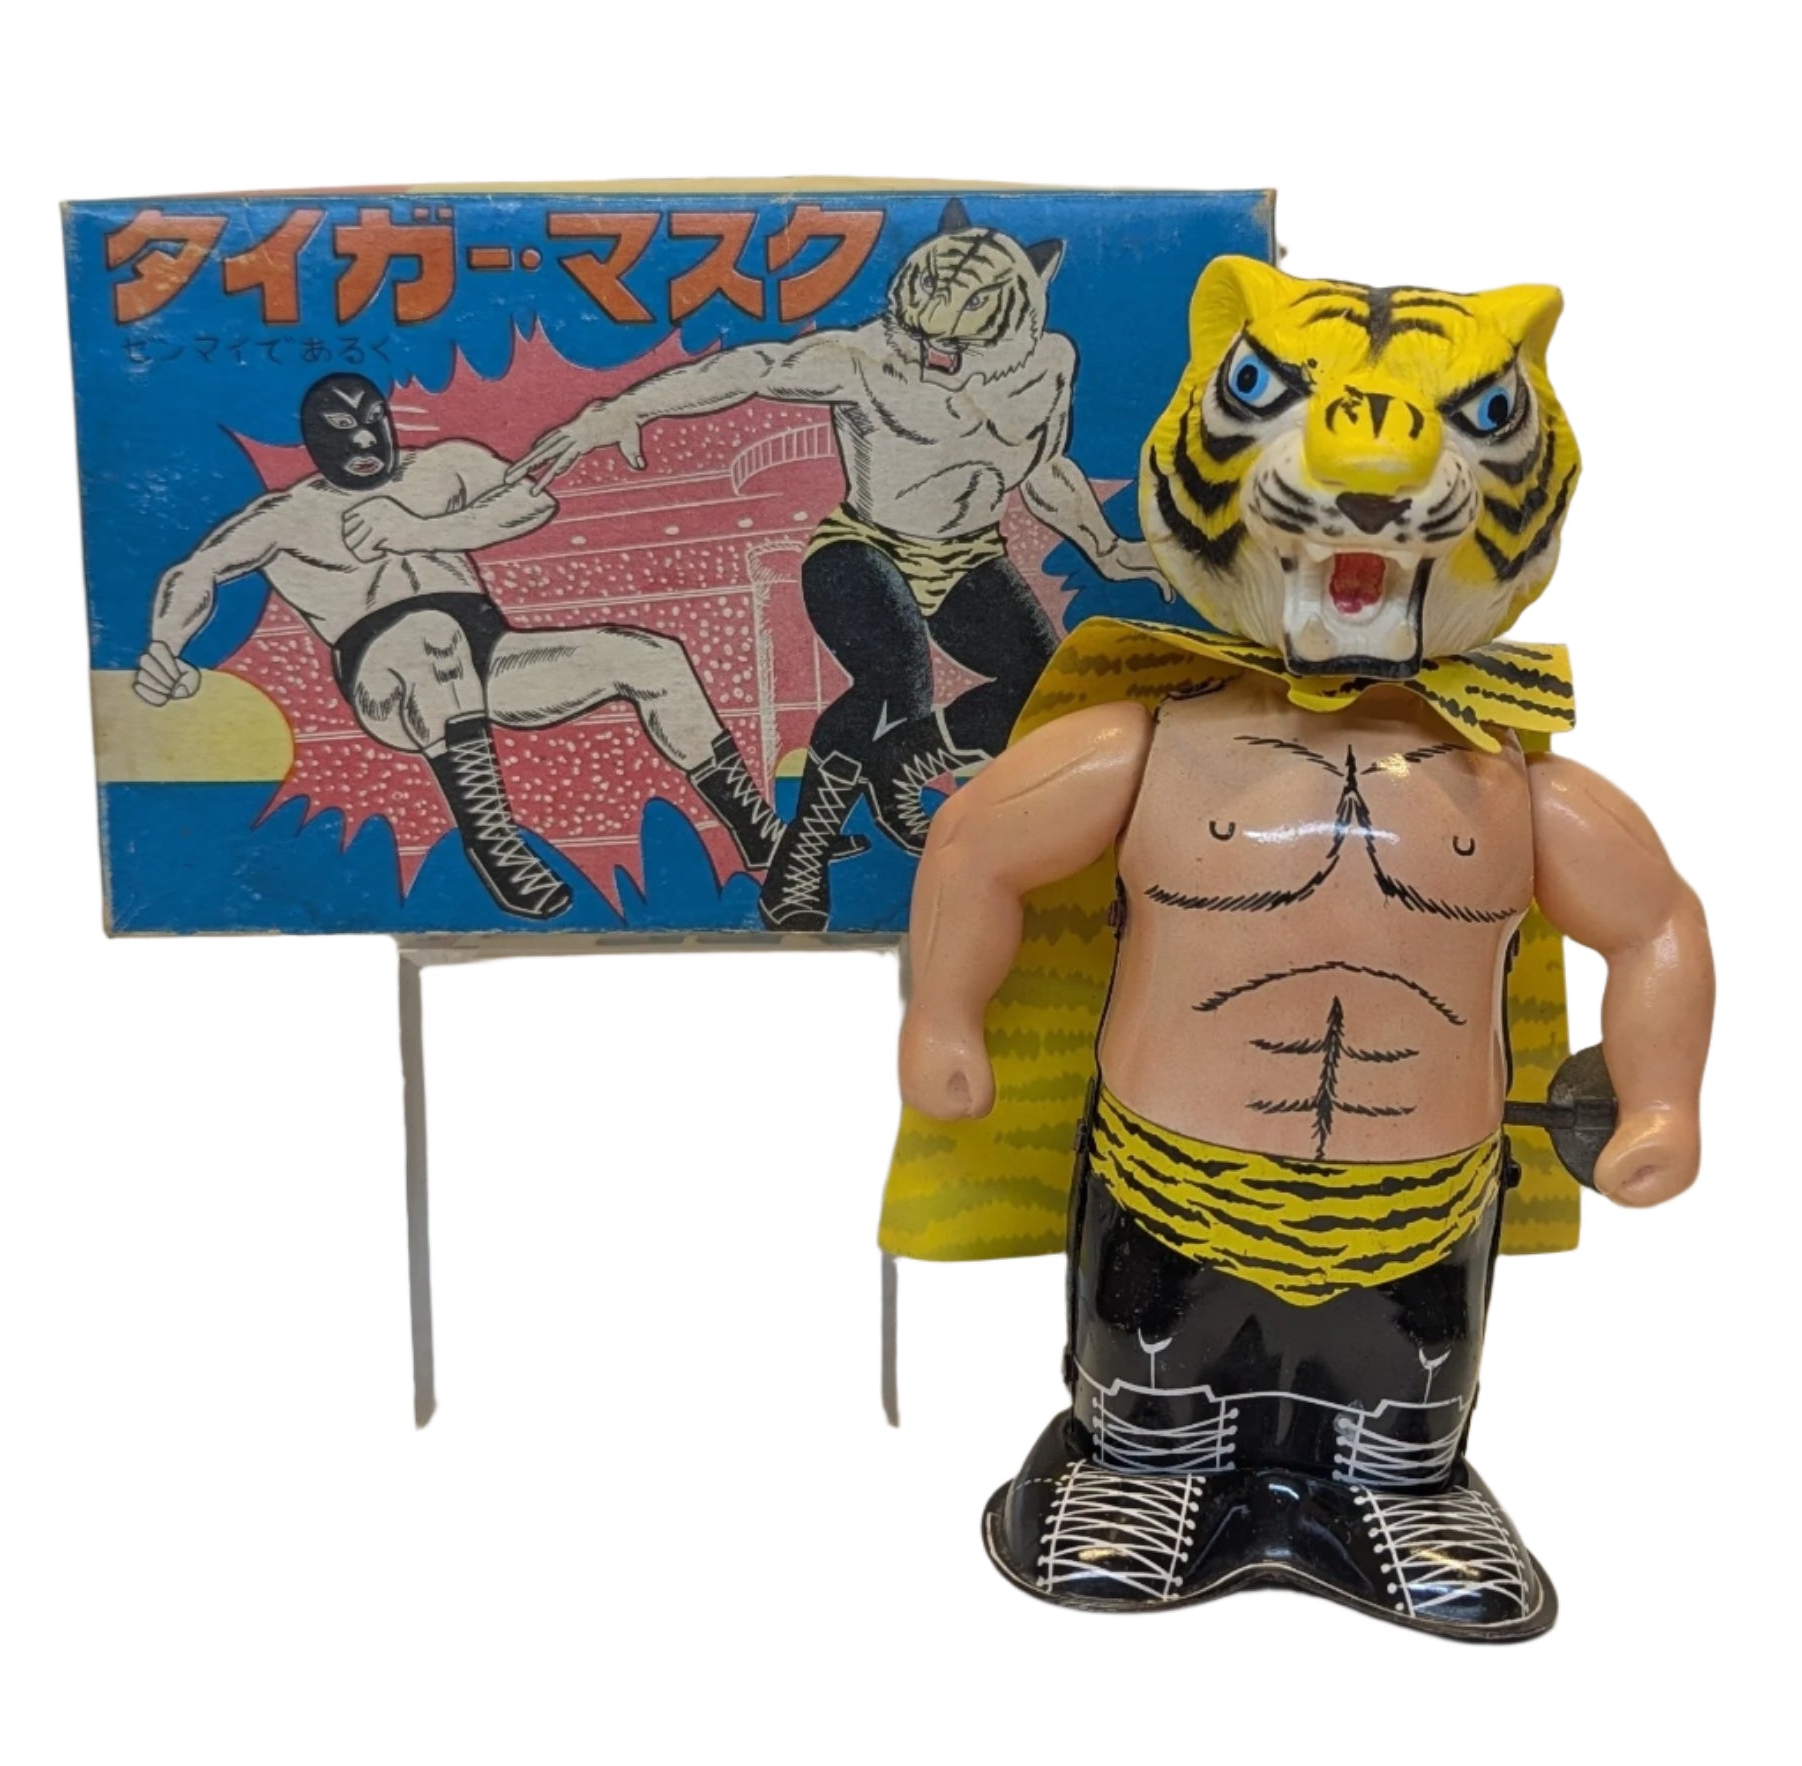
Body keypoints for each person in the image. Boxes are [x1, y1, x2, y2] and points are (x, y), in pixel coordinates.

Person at [888, 257, 1714, 1638]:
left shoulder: (1517, 787)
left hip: (1422, 1197)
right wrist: (942, 1020)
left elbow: (1654, 922)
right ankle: (1136, 1473)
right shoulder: (1144, 744)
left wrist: (1663, 1101)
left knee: (1407, 1386)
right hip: (1169, 1178)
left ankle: (1402, 1491)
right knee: (1149, 1365)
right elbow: (976, 845)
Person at [513, 201, 1163, 931]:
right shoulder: (863, 359)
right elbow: (750, 370)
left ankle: (904, 759)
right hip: (864, 544)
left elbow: (1042, 470)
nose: (932, 355)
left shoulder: (1047, 367)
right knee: (896, 682)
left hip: (969, 553)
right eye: (920, 332)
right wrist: (625, 408)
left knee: (1044, 696)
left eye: (957, 341)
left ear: (1019, 321)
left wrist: (1108, 550)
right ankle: (801, 856)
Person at [137, 372, 787, 919]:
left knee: (648, 657)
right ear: (313, 441)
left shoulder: (444, 465)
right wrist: (165, 647)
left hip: (489, 655)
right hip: (388, 685)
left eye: (372, 422)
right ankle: (493, 840)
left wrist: (420, 531)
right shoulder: (284, 518)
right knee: (430, 636)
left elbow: (527, 505)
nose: (363, 440)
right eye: (341, 429)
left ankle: (754, 828)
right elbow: (193, 574)